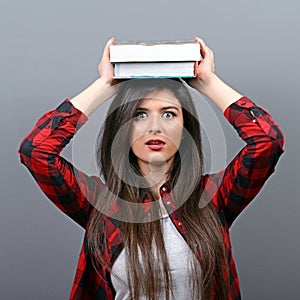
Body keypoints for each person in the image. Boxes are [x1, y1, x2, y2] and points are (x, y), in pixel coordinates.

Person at [18, 37, 284, 300]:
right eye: (140, 114)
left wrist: (209, 83)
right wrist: (105, 85)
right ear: (123, 127)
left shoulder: (212, 196)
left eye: (169, 114)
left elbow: (267, 141)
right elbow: (37, 151)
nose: (154, 127)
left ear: (185, 129)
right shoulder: (101, 203)